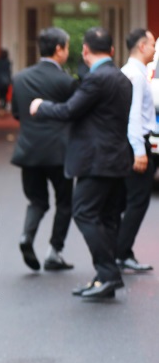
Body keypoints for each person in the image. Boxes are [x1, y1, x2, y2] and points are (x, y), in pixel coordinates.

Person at [30, 27, 133, 300]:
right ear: (112, 50)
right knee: (107, 218)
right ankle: (105, 277)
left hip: (96, 161)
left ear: (85, 51)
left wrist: (40, 106)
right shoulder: (122, 78)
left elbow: (69, 110)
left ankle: (108, 274)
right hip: (117, 158)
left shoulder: (96, 79)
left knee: (84, 213)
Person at [9, 27, 79, 272]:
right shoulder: (67, 81)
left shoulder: (20, 78)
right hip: (60, 153)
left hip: (29, 151)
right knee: (65, 203)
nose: (67, 51)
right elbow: (74, 113)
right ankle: (54, 252)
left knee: (37, 201)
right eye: (67, 47)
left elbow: (16, 113)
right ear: (59, 49)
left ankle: (26, 236)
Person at [116, 28, 157, 273]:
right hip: (136, 143)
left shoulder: (128, 71)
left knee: (124, 200)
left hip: (127, 144)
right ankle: (121, 252)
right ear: (142, 46)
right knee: (137, 202)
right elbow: (133, 116)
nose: (154, 49)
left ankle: (119, 251)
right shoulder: (137, 76)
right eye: (152, 44)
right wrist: (140, 151)